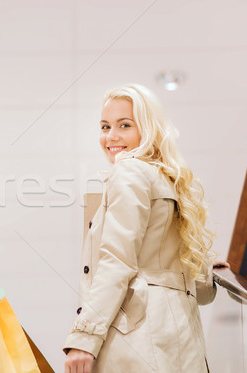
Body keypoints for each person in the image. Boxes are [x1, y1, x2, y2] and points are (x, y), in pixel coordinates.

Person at [63, 84, 219, 373]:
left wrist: (85, 337)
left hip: (138, 338)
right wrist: (206, 268)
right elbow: (200, 289)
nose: (111, 136)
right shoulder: (165, 177)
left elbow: (117, 261)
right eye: (105, 126)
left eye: (124, 125)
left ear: (147, 128)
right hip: (178, 339)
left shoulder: (130, 170)